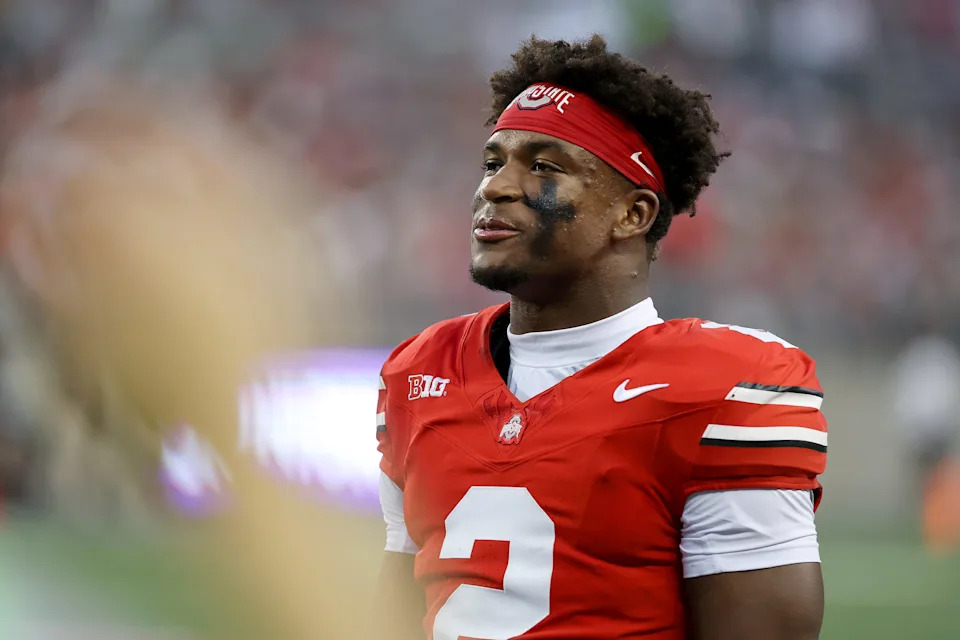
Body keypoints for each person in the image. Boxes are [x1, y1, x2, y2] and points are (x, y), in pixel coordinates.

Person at [373, 36, 827, 640]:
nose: (495, 188)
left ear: (632, 214)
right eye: (492, 162)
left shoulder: (722, 389)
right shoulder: (418, 372)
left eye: (543, 166)